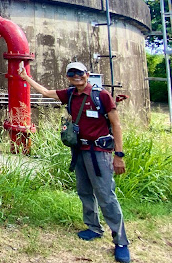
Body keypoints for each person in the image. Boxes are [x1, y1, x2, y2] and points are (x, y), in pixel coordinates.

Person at [18, 61, 130, 263]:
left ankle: (121, 242)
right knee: (85, 191)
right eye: (71, 74)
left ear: (87, 74)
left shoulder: (100, 95)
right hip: (80, 150)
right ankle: (93, 228)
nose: (75, 76)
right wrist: (26, 78)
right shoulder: (70, 94)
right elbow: (45, 92)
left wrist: (119, 155)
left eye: (79, 73)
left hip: (99, 152)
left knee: (105, 195)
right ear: (68, 77)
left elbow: (116, 124)